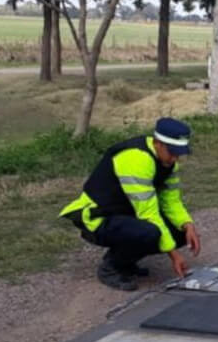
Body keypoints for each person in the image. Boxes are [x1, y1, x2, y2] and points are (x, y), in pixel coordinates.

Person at [60, 117, 201, 291]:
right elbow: (148, 212)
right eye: (172, 152)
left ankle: (126, 262)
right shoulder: (136, 159)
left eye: (179, 153)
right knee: (150, 232)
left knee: (180, 232)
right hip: (98, 218)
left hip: (125, 215)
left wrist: (187, 225)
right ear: (157, 143)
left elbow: (171, 201)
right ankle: (110, 267)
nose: (175, 158)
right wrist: (174, 255)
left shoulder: (169, 164)